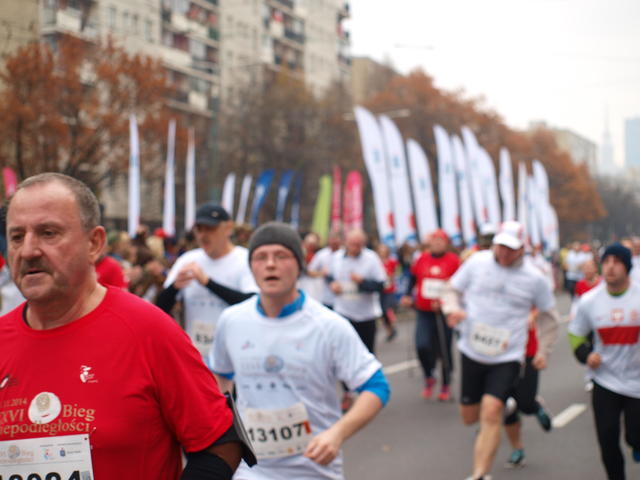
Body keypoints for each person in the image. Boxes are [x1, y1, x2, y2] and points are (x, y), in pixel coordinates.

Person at [0, 173, 253, 479]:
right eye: (16, 237)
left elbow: (220, 445)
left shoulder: (149, 331)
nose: (28, 250)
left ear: (94, 243)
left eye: (48, 233)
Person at [210, 222, 389, 479]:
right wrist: (225, 430)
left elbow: (377, 386)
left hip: (313, 469)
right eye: (260, 257)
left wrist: (336, 434)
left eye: (281, 256)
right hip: (251, 470)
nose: (270, 264)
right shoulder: (232, 320)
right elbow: (220, 375)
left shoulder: (329, 325)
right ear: (251, 267)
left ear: (300, 265)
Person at [442, 220, 559, 480]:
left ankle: (479, 474)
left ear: (522, 249)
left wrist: (544, 351)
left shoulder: (534, 278)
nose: (504, 253)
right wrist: (452, 309)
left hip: (508, 355)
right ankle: (507, 407)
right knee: (469, 417)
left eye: (511, 249)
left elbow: (550, 318)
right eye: (501, 246)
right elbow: (451, 289)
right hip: (472, 350)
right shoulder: (476, 262)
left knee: (491, 411)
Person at [568, 243, 640, 480]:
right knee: (607, 439)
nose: (610, 267)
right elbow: (576, 334)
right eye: (606, 261)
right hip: (605, 379)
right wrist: (586, 354)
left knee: (635, 435)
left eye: (617, 262)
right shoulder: (590, 301)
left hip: (637, 381)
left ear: (627, 267)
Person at [156, 203, 257, 363]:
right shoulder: (188, 259)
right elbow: (160, 309)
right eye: (199, 229)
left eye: (211, 229)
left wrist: (208, 283)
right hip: (196, 355)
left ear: (228, 228)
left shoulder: (245, 259)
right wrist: (174, 287)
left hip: (235, 354)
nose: (203, 235)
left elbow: (253, 304)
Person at [401, 229, 460, 401]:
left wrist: (445, 302)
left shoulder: (453, 261)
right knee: (422, 345)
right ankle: (429, 375)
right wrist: (407, 295)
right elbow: (413, 278)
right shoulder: (422, 259)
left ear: (446, 243)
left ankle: (446, 384)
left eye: (441, 241)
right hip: (424, 311)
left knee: (444, 348)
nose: (437, 244)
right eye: (434, 240)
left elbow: (459, 286)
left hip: (444, 313)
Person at [306, 232, 342, 309]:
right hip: (326, 297)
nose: (334, 242)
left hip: (343, 299)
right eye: (332, 239)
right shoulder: (321, 254)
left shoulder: (346, 254)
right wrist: (321, 273)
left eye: (336, 240)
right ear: (328, 240)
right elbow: (309, 271)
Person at [376, 243, 399, 342]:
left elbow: (397, 271)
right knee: (381, 312)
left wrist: (391, 276)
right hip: (379, 290)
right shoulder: (376, 262)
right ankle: (389, 330)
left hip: (389, 289)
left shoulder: (392, 261)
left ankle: (392, 324)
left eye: (384, 250)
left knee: (387, 309)